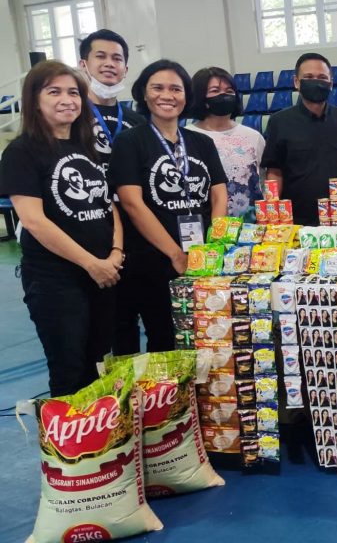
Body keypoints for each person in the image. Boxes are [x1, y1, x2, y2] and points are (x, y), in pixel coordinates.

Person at [0, 61, 123, 396]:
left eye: (73, 92)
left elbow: (108, 205)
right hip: (56, 279)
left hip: (103, 272)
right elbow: (35, 221)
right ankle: (70, 447)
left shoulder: (87, 147)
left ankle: (100, 444)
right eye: (54, 91)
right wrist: (90, 263)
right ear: (34, 100)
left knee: (98, 364)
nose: (66, 99)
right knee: (68, 369)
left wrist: (115, 253)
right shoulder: (21, 152)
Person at [110, 59, 228, 355]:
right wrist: (175, 254)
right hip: (151, 259)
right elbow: (131, 203)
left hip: (201, 256)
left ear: (187, 96)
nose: (167, 95)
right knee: (164, 340)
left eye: (176, 89)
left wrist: (211, 245)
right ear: (144, 94)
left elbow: (218, 193)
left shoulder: (201, 142)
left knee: (208, 335)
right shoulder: (130, 141)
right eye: (158, 88)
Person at [262, 53, 337, 225]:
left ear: (331, 83)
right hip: (296, 220)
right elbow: (274, 172)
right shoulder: (279, 121)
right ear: (296, 82)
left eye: (322, 77)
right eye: (308, 77)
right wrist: (274, 216)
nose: (316, 81)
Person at [187, 67, 265, 219]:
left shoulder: (253, 136)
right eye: (215, 91)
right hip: (207, 226)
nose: (223, 95)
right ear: (200, 97)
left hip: (252, 229)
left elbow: (263, 180)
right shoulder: (188, 137)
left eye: (229, 91)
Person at [77, 29, 147, 172]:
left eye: (117, 58)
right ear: (83, 65)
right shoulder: (72, 115)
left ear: (125, 70)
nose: (109, 64)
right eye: (101, 56)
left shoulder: (138, 121)